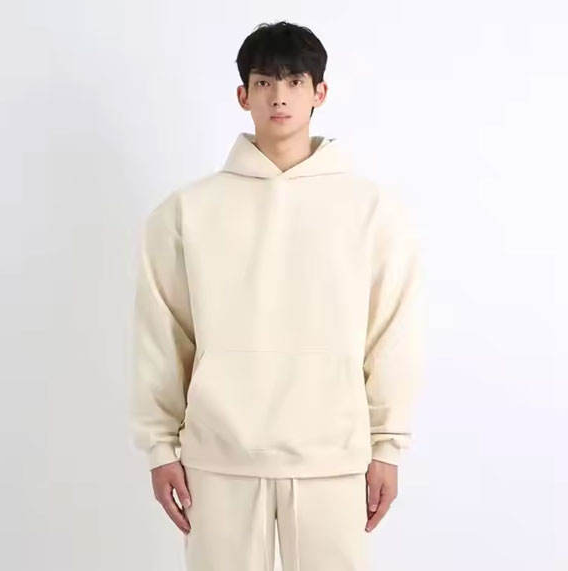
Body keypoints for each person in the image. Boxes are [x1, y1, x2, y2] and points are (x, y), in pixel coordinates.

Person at [129, 20, 425, 570]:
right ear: (243, 96)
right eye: (264, 82)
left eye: (294, 81)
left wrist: (387, 445)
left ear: (320, 92)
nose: (279, 96)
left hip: (332, 457)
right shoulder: (187, 212)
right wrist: (159, 446)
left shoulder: (371, 211)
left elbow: (390, 333)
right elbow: (163, 335)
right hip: (218, 457)